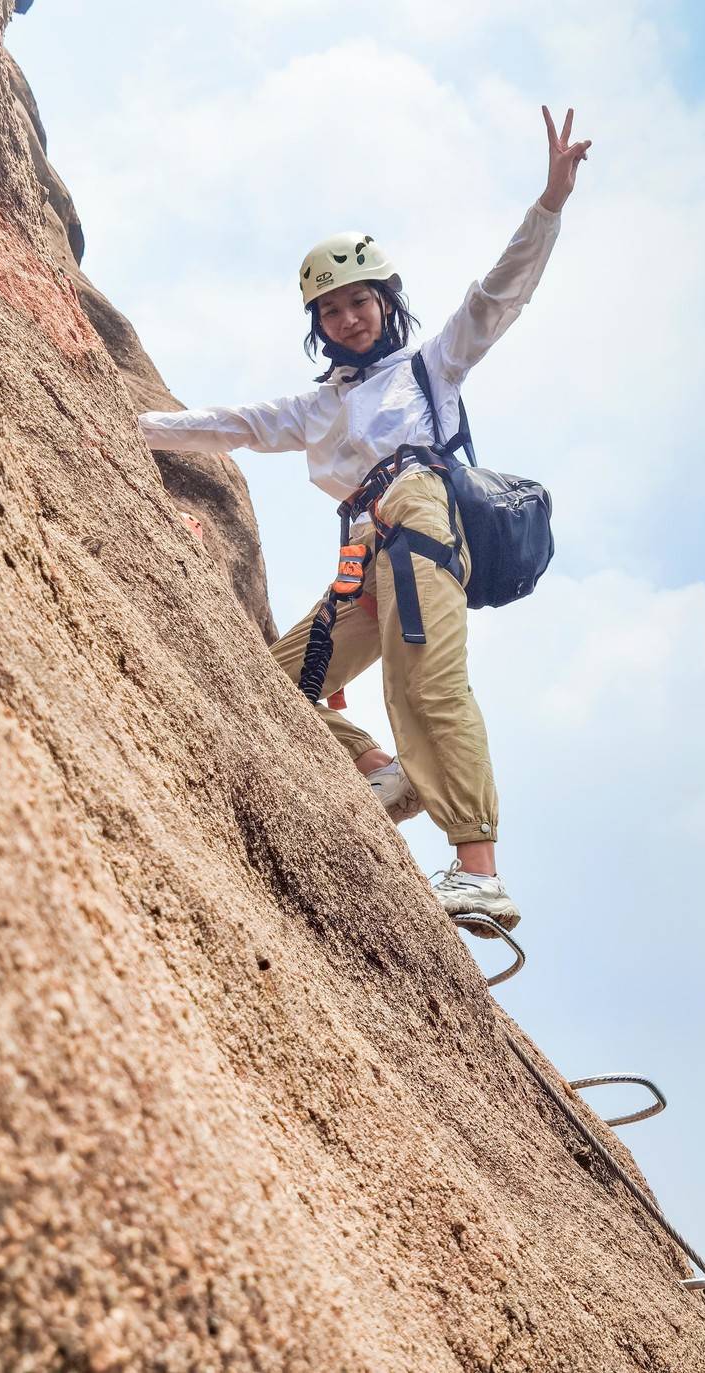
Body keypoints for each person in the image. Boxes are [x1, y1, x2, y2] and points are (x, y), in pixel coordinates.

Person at [138, 106, 591, 933]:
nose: (349, 317)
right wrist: (124, 427)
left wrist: (549, 204)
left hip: (420, 516)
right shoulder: (319, 406)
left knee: (423, 682)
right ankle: (386, 772)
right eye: (332, 309)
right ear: (317, 326)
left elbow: (498, 295)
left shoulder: (430, 366)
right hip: (365, 549)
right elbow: (235, 424)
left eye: (361, 301)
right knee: (272, 683)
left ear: (388, 303)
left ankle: (480, 869)